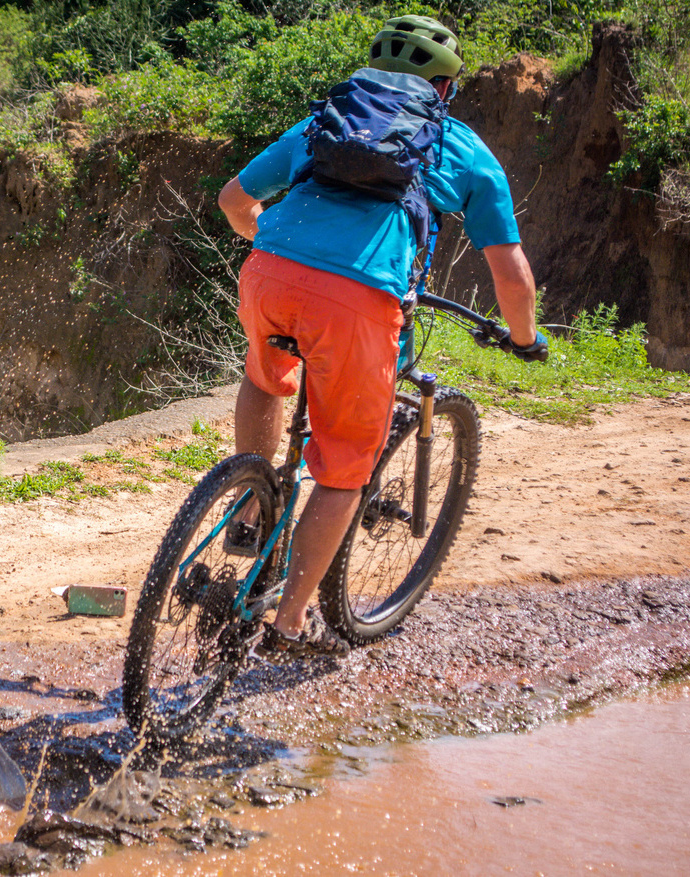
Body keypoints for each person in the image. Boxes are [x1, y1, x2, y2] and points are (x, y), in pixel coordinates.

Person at [217, 14, 545, 659]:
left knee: (264, 376)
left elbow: (234, 200)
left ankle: (251, 512)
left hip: (268, 273)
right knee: (344, 468)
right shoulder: (464, 149)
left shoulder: (326, 122)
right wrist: (525, 339)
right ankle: (288, 623)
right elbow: (511, 273)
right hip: (357, 300)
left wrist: (285, 252)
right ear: (445, 89)